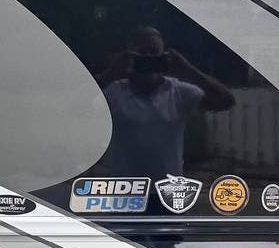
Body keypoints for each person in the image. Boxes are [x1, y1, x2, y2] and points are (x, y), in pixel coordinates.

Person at [95, 26, 235, 180]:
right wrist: (110, 74)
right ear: (129, 56)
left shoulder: (178, 92)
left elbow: (226, 101)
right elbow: (78, 108)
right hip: (126, 190)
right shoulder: (115, 92)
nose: (148, 57)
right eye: (142, 52)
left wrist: (189, 70)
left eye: (154, 52)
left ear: (164, 55)